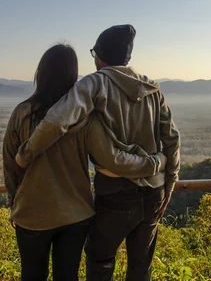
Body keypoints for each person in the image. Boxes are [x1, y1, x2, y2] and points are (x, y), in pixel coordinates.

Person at [16, 25, 181, 281]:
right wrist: (169, 182)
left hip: (116, 192)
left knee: (101, 261)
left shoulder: (96, 82)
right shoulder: (152, 89)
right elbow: (172, 138)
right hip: (154, 192)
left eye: (94, 53)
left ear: (100, 56)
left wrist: (27, 153)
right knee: (141, 266)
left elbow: (58, 120)